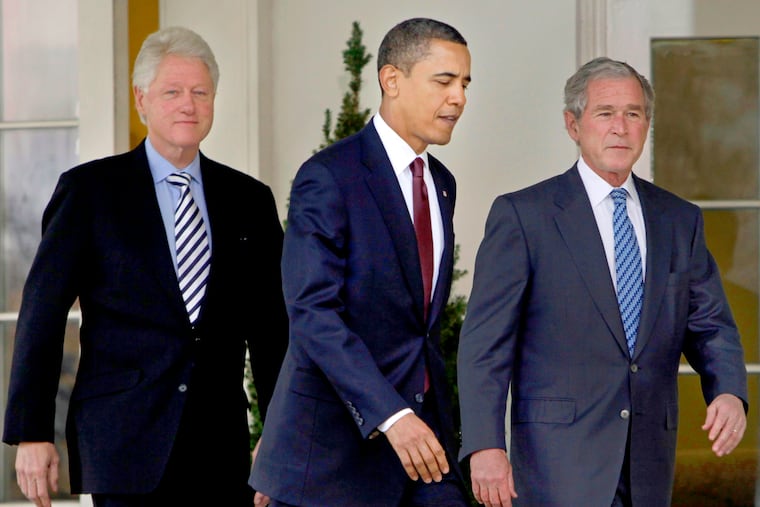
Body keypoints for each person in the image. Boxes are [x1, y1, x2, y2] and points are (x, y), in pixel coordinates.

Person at [3, 26, 288, 507]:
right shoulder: (90, 192)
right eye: (172, 92)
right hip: (123, 445)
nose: (188, 105)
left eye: (200, 92)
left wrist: (282, 434)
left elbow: (273, 329)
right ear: (142, 100)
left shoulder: (249, 201)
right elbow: (42, 314)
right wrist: (32, 433)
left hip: (222, 450)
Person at [457, 56, 748, 507]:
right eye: (605, 113)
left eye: (633, 114)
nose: (621, 127)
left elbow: (711, 325)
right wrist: (485, 446)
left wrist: (728, 390)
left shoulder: (679, 219)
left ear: (646, 125)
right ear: (573, 125)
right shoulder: (524, 216)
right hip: (559, 466)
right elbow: (484, 345)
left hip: (649, 463)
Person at [250, 17, 472, 507]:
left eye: (464, 84)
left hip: (426, 448)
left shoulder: (442, 184)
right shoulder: (328, 177)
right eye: (444, 81)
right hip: (334, 459)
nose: (458, 97)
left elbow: (419, 325)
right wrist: (392, 416)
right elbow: (313, 314)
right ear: (391, 79)